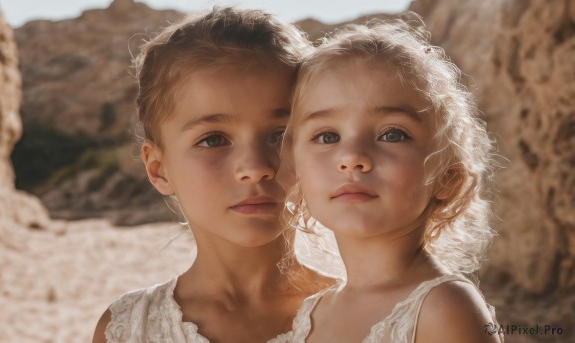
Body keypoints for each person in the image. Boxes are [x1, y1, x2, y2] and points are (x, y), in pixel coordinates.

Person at [92, 7, 333, 343]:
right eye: (213, 140)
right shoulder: (130, 329)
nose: (255, 167)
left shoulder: (369, 315)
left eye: (280, 134)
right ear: (159, 170)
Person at [278, 15, 503, 343]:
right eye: (327, 136)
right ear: (296, 168)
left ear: (446, 179)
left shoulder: (444, 310)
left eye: (392, 134)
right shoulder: (311, 313)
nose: (352, 156)